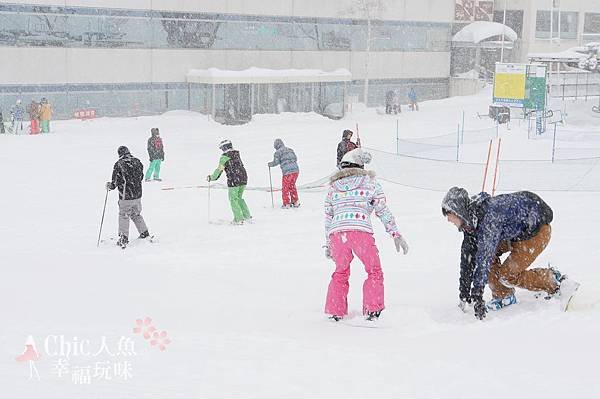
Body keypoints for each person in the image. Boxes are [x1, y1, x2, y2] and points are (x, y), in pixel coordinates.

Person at [441, 187, 579, 320]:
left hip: (536, 231)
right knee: (480, 252)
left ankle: (555, 282)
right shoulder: (470, 221)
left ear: (458, 211)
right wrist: (464, 290)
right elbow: (468, 256)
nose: (448, 219)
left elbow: (485, 257)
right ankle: (503, 295)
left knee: (507, 275)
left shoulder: (489, 218)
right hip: (513, 233)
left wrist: (477, 295)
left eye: (449, 214)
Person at [324, 148, 409, 322]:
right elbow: (382, 210)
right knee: (374, 271)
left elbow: (328, 216)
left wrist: (328, 243)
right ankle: (372, 310)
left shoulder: (333, 188)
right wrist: (395, 233)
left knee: (340, 272)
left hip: (337, 234)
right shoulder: (370, 182)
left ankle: (336, 311)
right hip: (360, 232)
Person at [106, 146, 150, 248]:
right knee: (136, 214)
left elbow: (114, 183)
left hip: (126, 196)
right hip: (137, 195)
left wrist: (110, 186)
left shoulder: (119, 164)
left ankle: (123, 238)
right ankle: (144, 232)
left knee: (124, 215)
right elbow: (141, 177)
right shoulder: (137, 161)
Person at [207, 139, 251, 224]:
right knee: (239, 198)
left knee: (233, 199)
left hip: (234, 180)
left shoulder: (224, 157)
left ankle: (238, 219)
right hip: (243, 178)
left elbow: (219, 170)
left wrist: (211, 178)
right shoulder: (236, 154)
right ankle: (247, 216)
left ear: (224, 147)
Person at [268, 138, 300, 208]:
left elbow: (276, 162)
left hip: (287, 173)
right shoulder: (290, 149)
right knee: (292, 186)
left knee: (285, 188)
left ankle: (286, 203)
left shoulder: (278, 152)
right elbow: (295, 158)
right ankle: (295, 201)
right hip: (296, 171)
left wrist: (270, 164)